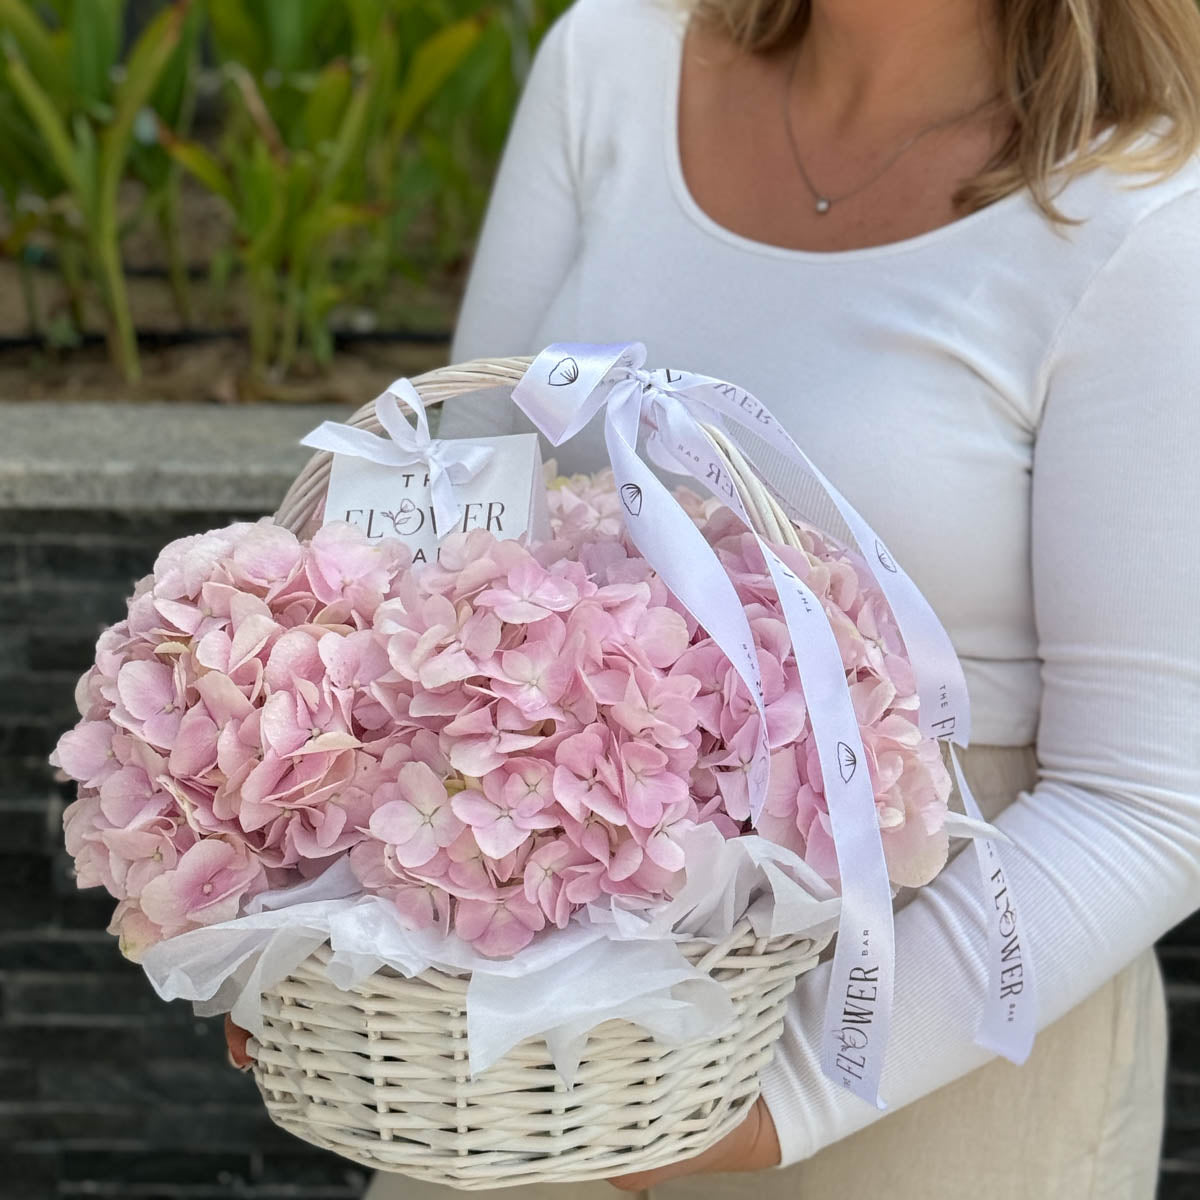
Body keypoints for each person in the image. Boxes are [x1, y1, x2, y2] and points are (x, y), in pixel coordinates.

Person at [232, 0, 1200, 1195]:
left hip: (929, 1042)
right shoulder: (614, 57)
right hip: (525, 1019)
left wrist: (770, 1103)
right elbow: (447, 498)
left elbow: (1153, 799)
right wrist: (299, 903)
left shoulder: (1145, 211)